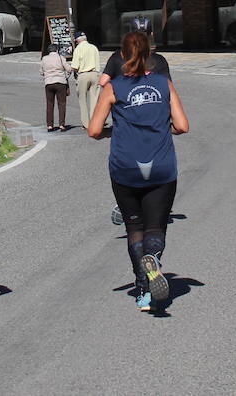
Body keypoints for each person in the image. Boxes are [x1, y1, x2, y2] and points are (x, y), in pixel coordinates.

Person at [88, 31, 189, 313]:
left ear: (121, 55)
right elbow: (182, 125)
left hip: (126, 166)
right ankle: (153, 257)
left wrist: (112, 131)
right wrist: (160, 128)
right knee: (155, 226)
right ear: (149, 55)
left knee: (134, 227)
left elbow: (93, 130)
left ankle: (143, 292)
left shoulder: (114, 88)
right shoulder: (163, 83)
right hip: (161, 166)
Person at [70, 32, 101, 127]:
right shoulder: (93, 47)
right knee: (94, 100)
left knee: (82, 100)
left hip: (83, 75)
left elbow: (75, 66)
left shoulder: (78, 49)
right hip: (94, 74)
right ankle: (94, 121)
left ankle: (86, 124)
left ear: (77, 40)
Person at [40, 43, 71, 131]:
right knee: (61, 104)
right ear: (57, 50)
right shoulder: (61, 58)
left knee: (49, 104)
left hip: (48, 83)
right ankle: (61, 124)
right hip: (60, 82)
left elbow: (41, 71)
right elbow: (68, 69)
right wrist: (66, 76)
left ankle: (50, 125)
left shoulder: (44, 59)